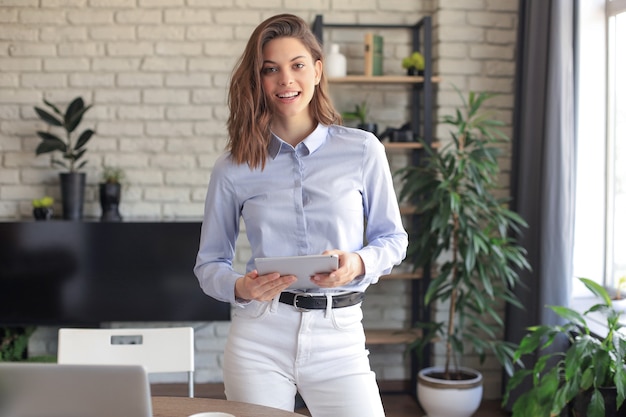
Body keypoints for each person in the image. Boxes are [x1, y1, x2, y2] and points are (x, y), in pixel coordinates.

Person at [194, 13, 408, 417]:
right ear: (257, 81)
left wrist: (357, 262)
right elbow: (208, 265)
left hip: (339, 333)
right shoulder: (233, 167)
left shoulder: (363, 150)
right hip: (260, 333)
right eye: (270, 70)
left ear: (317, 70)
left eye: (297, 66)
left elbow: (393, 239)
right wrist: (242, 287)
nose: (285, 80)